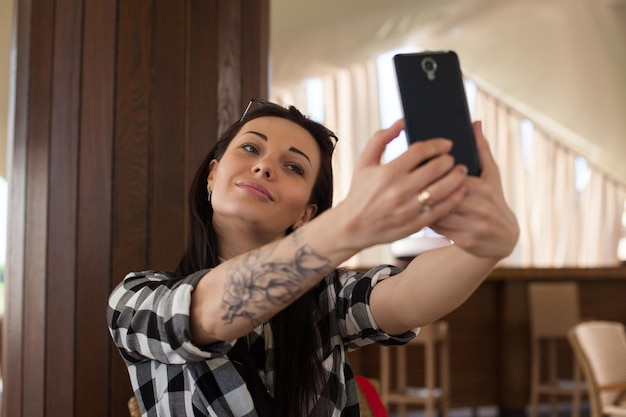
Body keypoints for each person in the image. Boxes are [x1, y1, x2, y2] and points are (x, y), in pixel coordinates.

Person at [107, 99, 519, 417]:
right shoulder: (136, 297)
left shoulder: (324, 300)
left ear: (306, 215)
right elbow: (207, 313)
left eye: (293, 167)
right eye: (250, 148)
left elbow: (405, 296)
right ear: (212, 176)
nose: (265, 166)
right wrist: (352, 224)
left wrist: (481, 249)